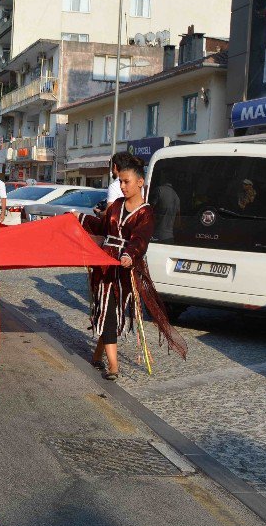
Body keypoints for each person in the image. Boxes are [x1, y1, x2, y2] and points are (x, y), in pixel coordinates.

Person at [75, 158, 187, 381]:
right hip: (105, 265)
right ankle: (113, 366)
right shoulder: (116, 205)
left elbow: (140, 240)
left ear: (140, 182)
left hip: (125, 269)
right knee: (106, 310)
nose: (123, 186)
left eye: (126, 182)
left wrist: (129, 255)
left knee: (111, 312)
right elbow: (101, 226)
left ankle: (99, 356)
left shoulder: (146, 213)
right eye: (120, 181)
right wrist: (79, 219)